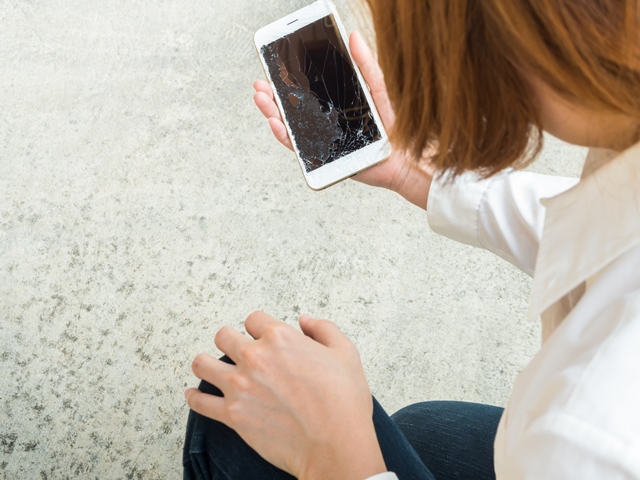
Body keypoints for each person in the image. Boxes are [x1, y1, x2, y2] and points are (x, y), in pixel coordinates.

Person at [183, 0, 640, 478]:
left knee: (229, 421)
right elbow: (611, 234)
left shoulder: (583, 436)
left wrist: (336, 448)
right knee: (428, 432)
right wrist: (417, 171)